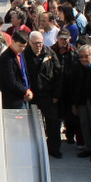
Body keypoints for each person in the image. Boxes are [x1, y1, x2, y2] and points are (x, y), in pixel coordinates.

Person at [27, 31, 63, 159]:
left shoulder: (50, 53)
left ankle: (54, 149)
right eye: (35, 43)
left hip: (48, 94)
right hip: (32, 95)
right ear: (29, 43)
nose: (38, 45)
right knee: (32, 125)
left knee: (53, 123)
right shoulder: (25, 55)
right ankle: (34, 149)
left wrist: (56, 95)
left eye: (40, 42)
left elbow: (58, 74)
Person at [0, 30, 32, 109]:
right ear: (13, 41)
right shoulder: (6, 58)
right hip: (13, 101)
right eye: (20, 46)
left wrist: (28, 89)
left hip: (22, 97)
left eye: (24, 46)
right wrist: (25, 92)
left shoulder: (20, 54)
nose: (22, 48)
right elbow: (11, 81)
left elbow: (25, 73)